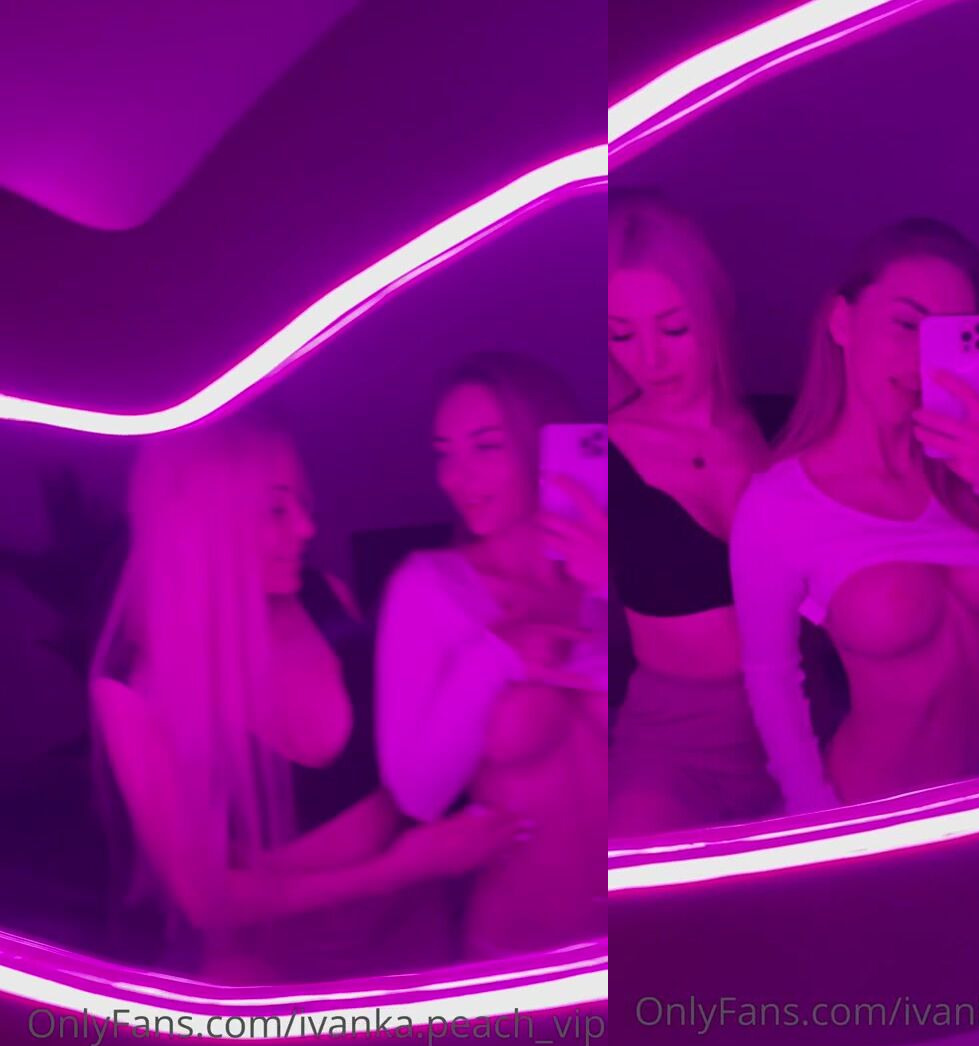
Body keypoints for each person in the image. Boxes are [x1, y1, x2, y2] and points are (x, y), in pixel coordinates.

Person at [90, 415, 520, 981]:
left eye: (302, 503)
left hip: (412, 930)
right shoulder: (134, 687)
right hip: (278, 965)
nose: (306, 527)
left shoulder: (327, 600)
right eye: (276, 509)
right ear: (201, 524)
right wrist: (401, 868)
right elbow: (204, 897)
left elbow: (413, 751)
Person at [731, 219, 979, 813]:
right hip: (869, 812)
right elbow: (771, 677)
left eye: (951, 336)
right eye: (906, 325)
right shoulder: (781, 503)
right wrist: (815, 816)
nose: (923, 359)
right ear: (842, 322)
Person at [377, 353, 609, 959]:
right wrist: (496, 658)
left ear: (544, 444)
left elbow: (679, 719)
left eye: (485, 447)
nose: (457, 477)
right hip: (522, 944)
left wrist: (615, 584)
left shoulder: (611, 567)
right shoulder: (429, 589)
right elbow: (418, 794)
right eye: (444, 453)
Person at [606, 192, 781, 835]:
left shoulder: (781, 429)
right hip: (674, 741)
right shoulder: (605, 455)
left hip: (802, 717)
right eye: (621, 335)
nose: (649, 360)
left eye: (673, 329)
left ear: (712, 311)